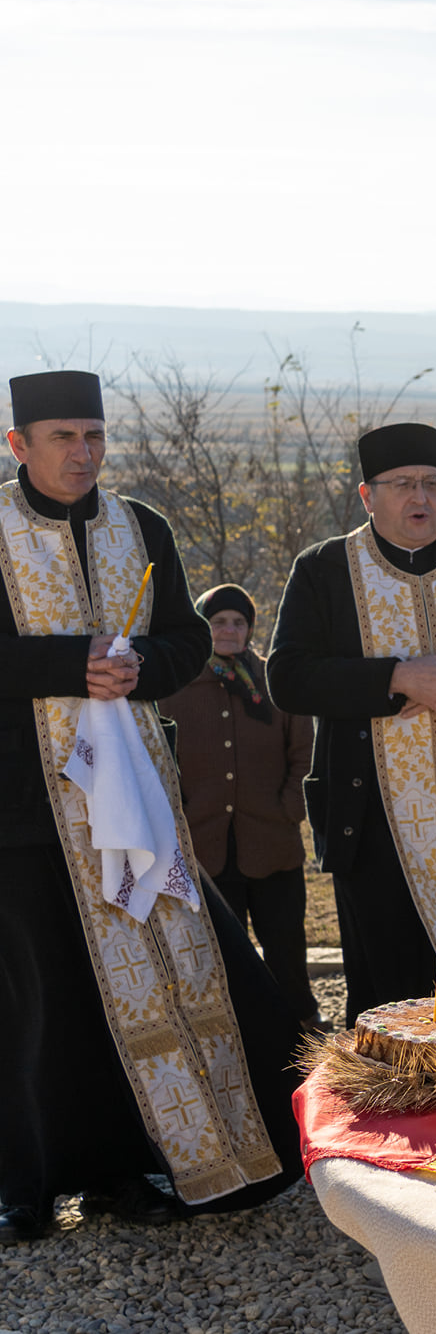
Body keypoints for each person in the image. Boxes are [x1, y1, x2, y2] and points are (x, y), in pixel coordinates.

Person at [0, 370, 302, 1245]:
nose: (83, 452)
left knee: (138, 990)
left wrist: (140, 668)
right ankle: (23, 1185)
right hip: (22, 808)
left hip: (132, 797)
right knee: (33, 998)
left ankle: (123, 1168)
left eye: (94, 435)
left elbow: (187, 638)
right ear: (18, 444)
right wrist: (73, 663)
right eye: (63, 437)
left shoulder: (143, 526)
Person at [268, 422, 436, 1023]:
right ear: (367, 495)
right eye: (404, 484)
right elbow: (288, 676)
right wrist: (398, 677)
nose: (421, 497)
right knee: (394, 1001)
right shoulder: (325, 569)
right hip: (375, 827)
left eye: (433, 483)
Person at [161, 584, 324, 1033]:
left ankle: (303, 1023)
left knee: (285, 944)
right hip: (204, 843)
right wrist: (181, 813)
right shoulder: (177, 683)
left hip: (272, 840)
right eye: (218, 622)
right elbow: (158, 753)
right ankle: (240, 1034)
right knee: (221, 950)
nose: (229, 630)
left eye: (238, 622)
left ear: (250, 629)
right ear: (203, 627)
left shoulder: (274, 680)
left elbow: (304, 752)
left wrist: (289, 807)